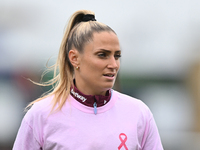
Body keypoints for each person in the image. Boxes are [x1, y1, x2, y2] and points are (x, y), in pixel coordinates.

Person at [13, 10, 163, 150]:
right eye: (102, 55)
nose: (113, 65)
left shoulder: (139, 113)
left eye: (116, 56)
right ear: (75, 58)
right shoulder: (41, 114)